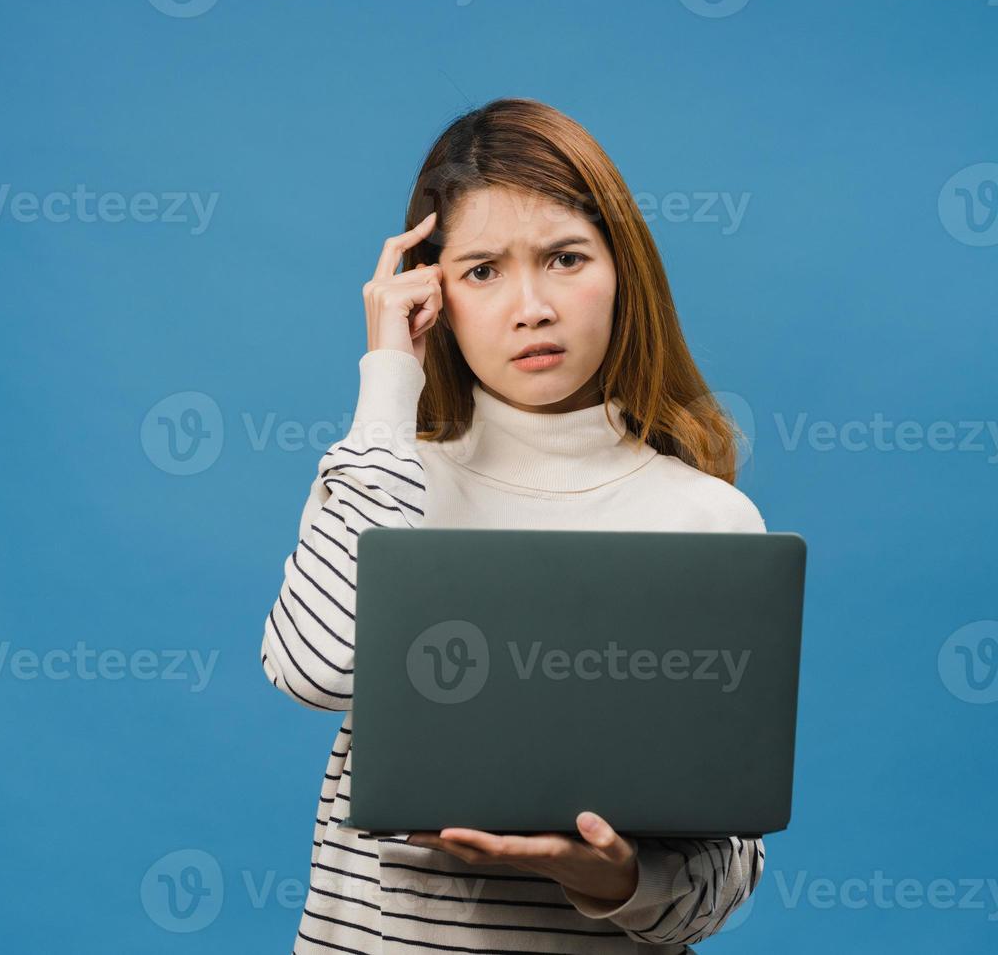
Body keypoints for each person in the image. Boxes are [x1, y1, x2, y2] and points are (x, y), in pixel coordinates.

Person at [262, 97, 768, 953]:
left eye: (565, 258)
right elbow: (314, 671)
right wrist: (388, 380)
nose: (531, 306)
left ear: (622, 270)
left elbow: (723, 875)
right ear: (432, 291)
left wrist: (612, 878)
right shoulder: (381, 477)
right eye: (483, 270)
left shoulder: (704, 517)